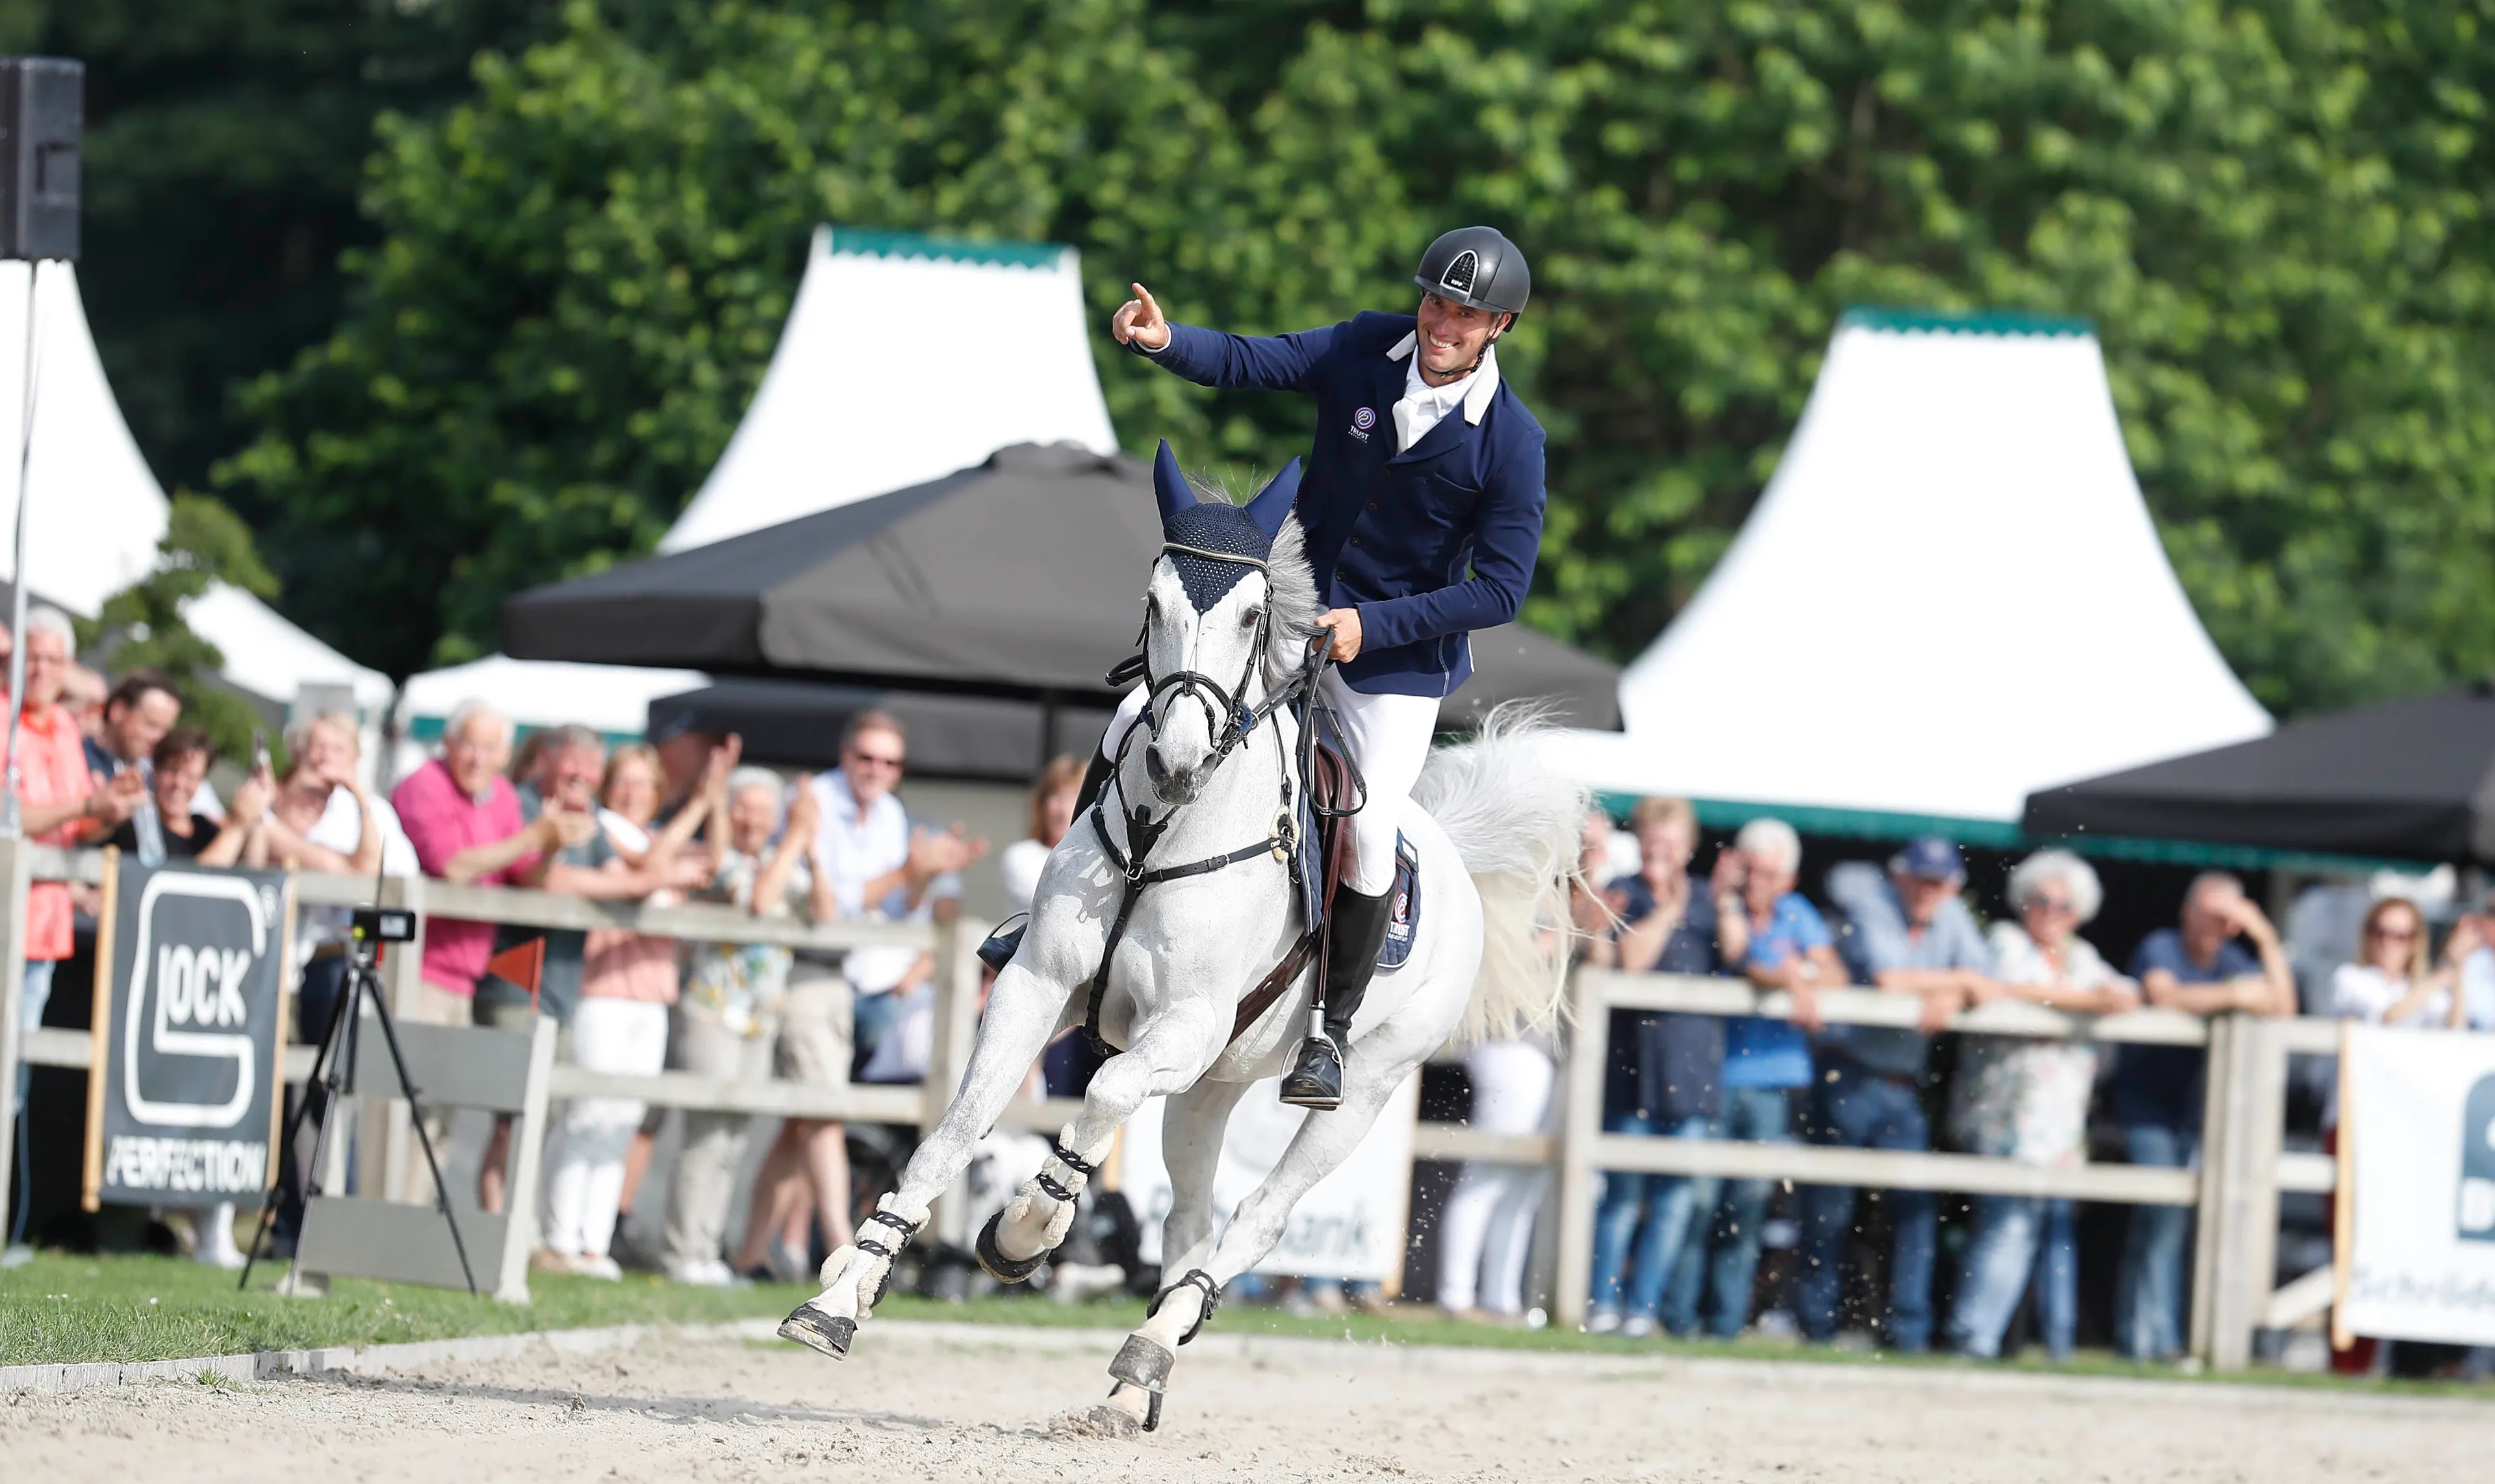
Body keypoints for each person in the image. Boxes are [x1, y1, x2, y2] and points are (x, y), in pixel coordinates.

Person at [1111, 225, 1546, 1108]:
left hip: (1396, 663)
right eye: (1435, 302)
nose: (1441, 323)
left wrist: (1374, 625)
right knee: (1155, 717)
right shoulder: (1361, 345)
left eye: (1465, 316)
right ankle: (1075, 919)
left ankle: (1330, 1032)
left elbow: (1500, 589)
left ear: (1497, 326)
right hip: (1293, 614)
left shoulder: (1510, 441)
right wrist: (1168, 343)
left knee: (1374, 826)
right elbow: (1252, 362)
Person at [735, 713, 983, 1275]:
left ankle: (750, 1254)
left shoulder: (891, 815)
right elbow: (835, 909)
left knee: (803, 1122)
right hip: (806, 970)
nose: (877, 770)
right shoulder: (816, 801)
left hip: (852, 983)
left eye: (889, 762)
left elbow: (895, 908)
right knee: (822, 1112)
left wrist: (922, 875)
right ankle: (844, 1249)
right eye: (867, 758)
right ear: (845, 757)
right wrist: (907, 874)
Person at [1803, 836, 1998, 1353]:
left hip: (1900, 1086)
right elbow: (1891, 980)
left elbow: (1991, 983)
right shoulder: (1874, 904)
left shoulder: (1951, 913)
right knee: (1831, 1208)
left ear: (1951, 885)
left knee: (1915, 1209)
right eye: (1920, 880)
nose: (1928, 892)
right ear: (1901, 877)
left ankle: (1908, 1332)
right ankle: (1817, 1326)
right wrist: (1958, 982)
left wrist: (1952, 991)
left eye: (1938, 883)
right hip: (1850, 1075)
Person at [1946, 850, 2140, 1361]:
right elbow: (2016, 988)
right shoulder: (2007, 941)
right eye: (2042, 901)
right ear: (2024, 902)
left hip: (2059, 1122)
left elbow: (2125, 993)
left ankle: (2041, 1341)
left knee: (2037, 1230)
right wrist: (2090, 1001)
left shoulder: (2081, 957)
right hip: (2007, 1113)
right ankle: (1975, 1334)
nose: (2052, 912)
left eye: (2064, 905)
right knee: (2006, 1225)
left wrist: (2098, 997)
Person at [539, 743, 714, 1279]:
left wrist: (710, 801)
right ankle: (558, 1239)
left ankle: (594, 1243)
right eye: (625, 781)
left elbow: (702, 865)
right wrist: (697, 809)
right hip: (603, 988)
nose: (633, 793)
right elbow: (648, 872)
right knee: (588, 1114)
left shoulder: (653, 840)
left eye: (644, 783)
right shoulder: (599, 830)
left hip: (652, 995)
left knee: (623, 1120)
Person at [2111, 871, 2294, 1362]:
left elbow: (2284, 1007)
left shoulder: (2232, 957)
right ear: (2187, 911)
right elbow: (2164, 995)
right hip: (2146, 1103)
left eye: (2228, 917)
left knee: (2170, 1222)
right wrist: (2234, 997)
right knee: (2162, 1217)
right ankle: (2157, 1341)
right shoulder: (2162, 946)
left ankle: (2143, 1339)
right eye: (2212, 913)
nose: (2219, 925)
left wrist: (2265, 937)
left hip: (2195, 1112)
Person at [1665, 817, 1834, 1339]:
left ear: (1786, 878)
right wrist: (1789, 972)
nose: (1755, 880)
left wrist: (1799, 975)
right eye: (1750, 869)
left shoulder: (1796, 914)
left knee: (1748, 1209)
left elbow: (1835, 973)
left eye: (1766, 873)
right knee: (1698, 1203)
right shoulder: (1718, 907)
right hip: (1715, 1077)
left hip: (1772, 1084)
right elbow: (1743, 960)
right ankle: (1679, 1318)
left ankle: (1724, 1324)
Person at [1581, 797, 1744, 1336]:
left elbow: (1740, 955)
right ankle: (1604, 1305)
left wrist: (1726, 901)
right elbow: (1632, 959)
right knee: (1623, 1196)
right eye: (1653, 841)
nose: (1660, 853)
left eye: (1671, 844)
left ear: (1689, 848)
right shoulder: (1625, 891)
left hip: (1694, 1069)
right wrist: (1669, 910)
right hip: (1636, 1068)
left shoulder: (1709, 899)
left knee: (1675, 1203)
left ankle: (1644, 1311)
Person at [663, 767, 828, 1286]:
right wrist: (795, 838)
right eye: (744, 806)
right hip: (712, 1011)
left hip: (760, 1019)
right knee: (706, 1136)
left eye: (764, 809)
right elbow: (757, 901)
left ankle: (706, 1249)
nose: (753, 818)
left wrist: (812, 848)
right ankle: (681, 1251)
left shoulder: (782, 863)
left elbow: (823, 913)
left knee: (734, 1141)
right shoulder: (720, 860)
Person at [107, 727, 259, 867]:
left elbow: (255, 872)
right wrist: (237, 826)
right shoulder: (138, 827)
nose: (179, 783)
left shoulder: (207, 830)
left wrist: (257, 811)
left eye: (191, 776)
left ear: (201, 782)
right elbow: (188, 885)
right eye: (172, 771)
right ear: (156, 771)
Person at [2327, 895, 2476, 1029]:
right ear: (2367, 934)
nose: (2387, 943)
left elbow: (2456, 1032)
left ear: (2415, 943)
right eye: (2380, 932)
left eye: (2400, 937)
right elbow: (2387, 1017)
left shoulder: (2421, 989)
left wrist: (2456, 965)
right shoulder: (2349, 977)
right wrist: (2440, 978)